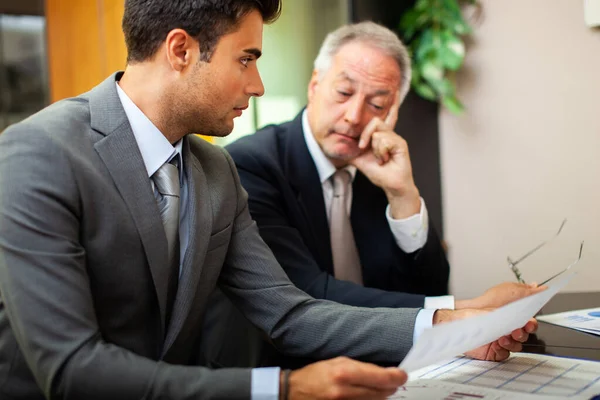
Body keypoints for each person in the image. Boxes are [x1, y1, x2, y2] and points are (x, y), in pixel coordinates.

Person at [0, 2, 536, 399]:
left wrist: (453, 328)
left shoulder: (215, 169)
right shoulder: (36, 153)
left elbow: (289, 311)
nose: (257, 85)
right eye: (246, 59)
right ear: (181, 50)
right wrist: (283, 387)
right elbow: (70, 369)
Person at [202, 21, 544, 369]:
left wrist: (402, 195)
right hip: (276, 371)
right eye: (344, 93)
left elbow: (425, 285)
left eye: (377, 104)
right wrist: (465, 308)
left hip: (377, 366)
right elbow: (307, 292)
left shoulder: (378, 166)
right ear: (315, 85)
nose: (354, 117)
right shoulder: (250, 164)